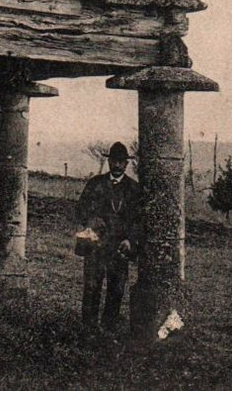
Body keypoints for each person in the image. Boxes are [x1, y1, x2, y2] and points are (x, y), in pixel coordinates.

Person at [76, 141, 142, 335]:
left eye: (122, 162)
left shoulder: (134, 189)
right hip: (95, 245)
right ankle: (87, 328)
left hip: (119, 248)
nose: (117, 165)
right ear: (109, 162)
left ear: (127, 164)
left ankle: (108, 328)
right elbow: (80, 210)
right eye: (114, 161)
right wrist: (91, 220)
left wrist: (130, 240)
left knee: (116, 289)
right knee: (92, 287)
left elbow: (138, 220)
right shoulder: (95, 184)